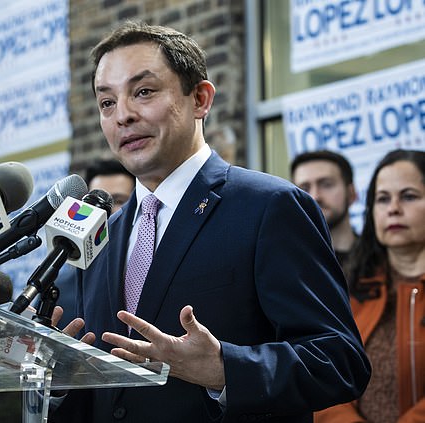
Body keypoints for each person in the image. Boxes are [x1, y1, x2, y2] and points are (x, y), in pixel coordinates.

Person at [50, 21, 370, 422]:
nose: (123, 116)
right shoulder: (99, 238)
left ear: (200, 99)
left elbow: (340, 360)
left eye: (143, 92)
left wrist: (224, 369)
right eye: (107, 103)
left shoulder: (269, 207)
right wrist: (57, 382)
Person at [314, 149, 425, 423]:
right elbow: (324, 379)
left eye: (409, 196)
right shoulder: (347, 288)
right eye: (382, 199)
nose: (393, 208)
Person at [55, 159, 135, 328]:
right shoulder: (59, 289)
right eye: (95, 203)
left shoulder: (140, 275)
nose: (105, 213)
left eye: (118, 201)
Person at [291, 150, 359, 268]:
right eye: (304, 188)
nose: (315, 196)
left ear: (351, 193)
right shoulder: (287, 263)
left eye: (326, 184)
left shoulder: (383, 258)